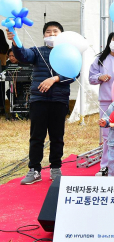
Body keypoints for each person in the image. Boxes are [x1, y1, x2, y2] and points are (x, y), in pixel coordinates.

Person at [7, 22, 74, 185]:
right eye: (48, 32)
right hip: (39, 99)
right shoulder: (37, 51)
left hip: (59, 99)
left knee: (57, 136)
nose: (51, 35)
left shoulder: (69, 52)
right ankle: (34, 169)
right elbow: (23, 55)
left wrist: (55, 78)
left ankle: (55, 168)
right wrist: (15, 42)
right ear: (43, 35)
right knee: (37, 136)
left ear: (62, 35)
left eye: (55, 32)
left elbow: (74, 74)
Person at [89, 30, 114, 176]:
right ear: (110, 40)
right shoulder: (100, 59)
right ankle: (105, 165)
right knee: (106, 135)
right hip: (105, 101)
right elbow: (91, 78)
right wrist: (100, 77)